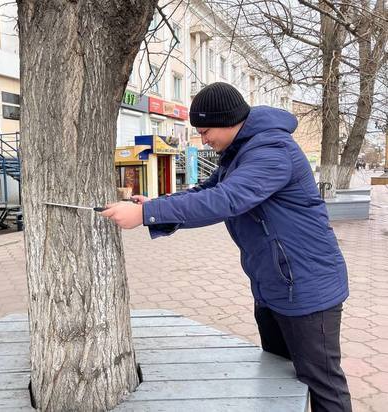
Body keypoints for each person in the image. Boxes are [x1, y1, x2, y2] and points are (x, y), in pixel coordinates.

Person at [102, 82, 352, 412]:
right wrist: (155, 205)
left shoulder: (272, 152)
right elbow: (203, 191)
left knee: (322, 383)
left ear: (228, 120)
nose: (203, 139)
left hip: (308, 289)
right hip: (275, 286)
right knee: (280, 377)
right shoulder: (239, 153)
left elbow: (226, 200)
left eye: (205, 131)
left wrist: (145, 214)